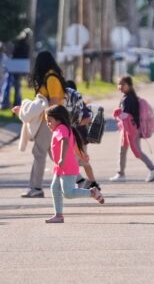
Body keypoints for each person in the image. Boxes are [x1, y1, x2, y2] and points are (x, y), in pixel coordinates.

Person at [12, 51, 66, 198]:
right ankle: (75, 181)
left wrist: (50, 120)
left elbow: (54, 101)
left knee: (39, 153)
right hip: (50, 121)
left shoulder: (51, 78)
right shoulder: (51, 77)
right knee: (54, 155)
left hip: (49, 122)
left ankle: (36, 187)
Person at [44, 105, 104, 223]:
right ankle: (59, 215)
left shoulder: (62, 129)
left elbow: (66, 142)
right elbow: (75, 145)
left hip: (67, 167)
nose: (48, 124)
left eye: (49, 121)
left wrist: (61, 158)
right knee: (55, 188)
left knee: (68, 193)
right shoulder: (63, 129)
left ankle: (92, 192)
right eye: (46, 121)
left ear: (58, 120)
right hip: (60, 167)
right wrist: (82, 155)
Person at [110, 76, 154, 182]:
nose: (120, 86)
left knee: (136, 151)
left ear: (129, 85)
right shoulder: (128, 97)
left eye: (123, 84)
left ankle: (153, 169)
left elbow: (127, 115)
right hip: (128, 129)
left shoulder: (129, 99)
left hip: (131, 130)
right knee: (123, 151)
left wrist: (118, 113)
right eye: (119, 84)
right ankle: (120, 173)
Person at [65, 80, 101, 191]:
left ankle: (88, 183)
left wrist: (74, 124)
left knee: (74, 162)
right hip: (77, 138)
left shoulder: (78, 103)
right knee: (83, 162)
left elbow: (88, 118)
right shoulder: (68, 104)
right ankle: (92, 183)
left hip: (79, 139)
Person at [1, 29, 30, 109]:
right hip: (18, 66)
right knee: (16, 85)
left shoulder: (17, 43)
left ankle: (8, 103)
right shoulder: (24, 44)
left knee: (10, 84)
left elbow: (13, 53)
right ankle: (14, 103)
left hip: (14, 66)